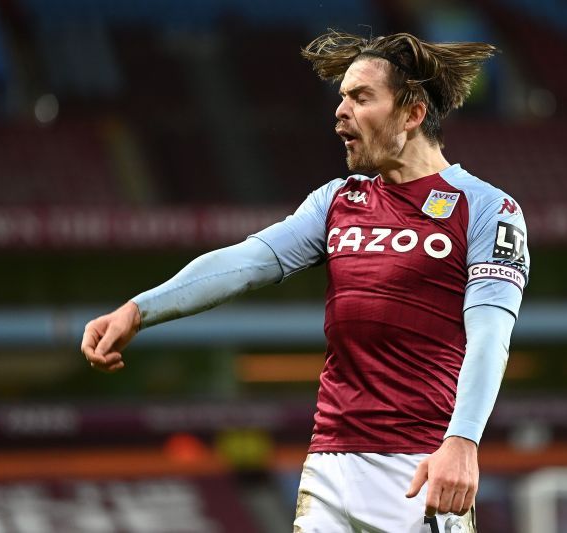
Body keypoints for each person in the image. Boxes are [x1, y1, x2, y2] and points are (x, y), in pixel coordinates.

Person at [81, 29, 529, 533]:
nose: (340, 112)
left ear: (412, 113)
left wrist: (463, 441)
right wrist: (139, 309)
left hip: (421, 467)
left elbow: (490, 336)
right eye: (341, 99)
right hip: (331, 468)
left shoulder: (489, 209)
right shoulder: (338, 202)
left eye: (361, 98)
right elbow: (247, 261)